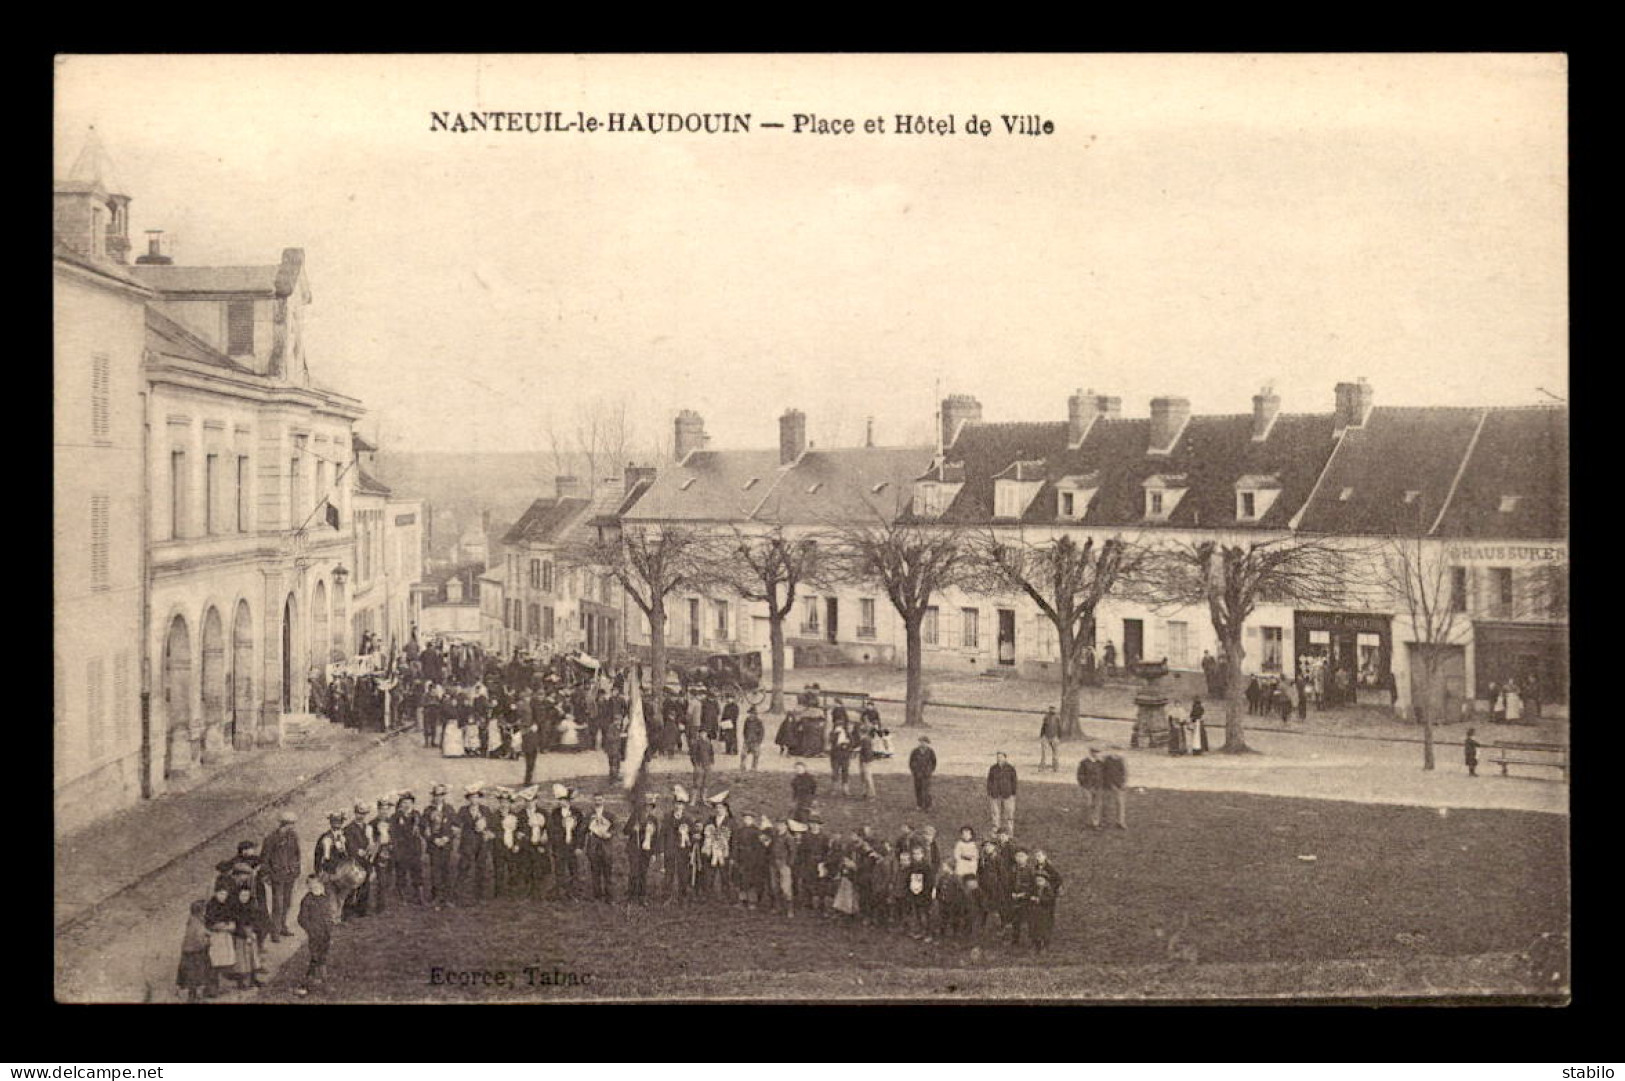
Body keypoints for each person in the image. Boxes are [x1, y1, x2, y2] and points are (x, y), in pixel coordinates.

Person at [261, 810, 302, 940]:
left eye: (292, 824)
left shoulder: (293, 836)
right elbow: (265, 857)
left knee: (287, 902)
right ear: (283, 824)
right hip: (277, 875)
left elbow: (297, 854)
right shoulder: (271, 838)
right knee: (277, 904)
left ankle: (283, 926)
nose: (292, 827)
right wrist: (267, 874)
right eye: (290, 824)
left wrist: (296, 869)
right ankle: (275, 931)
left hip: (289, 875)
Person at [295, 874, 334, 997]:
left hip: (325, 934)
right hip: (315, 935)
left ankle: (308, 984)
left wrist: (330, 925)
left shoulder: (324, 898)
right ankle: (322, 984)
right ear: (308, 886)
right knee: (317, 959)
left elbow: (328, 914)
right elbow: (301, 919)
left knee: (319, 958)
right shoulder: (307, 900)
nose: (314, 886)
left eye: (316, 883)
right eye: (310, 884)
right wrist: (311, 930)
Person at [176, 898, 217, 1002]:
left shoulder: (192, 920)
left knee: (191, 976)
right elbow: (200, 940)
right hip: (196, 953)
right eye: (204, 910)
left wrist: (207, 933)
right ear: (201, 911)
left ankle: (193, 995)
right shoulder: (198, 924)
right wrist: (208, 942)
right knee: (198, 975)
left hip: (187, 952)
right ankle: (195, 997)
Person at [1029, 849, 1063, 952]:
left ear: (1045, 856)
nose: (1038, 858)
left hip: (1047, 898)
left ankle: (1046, 943)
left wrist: (1050, 887)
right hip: (1038, 902)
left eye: (1040, 856)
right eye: (1036, 856)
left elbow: (1058, 879)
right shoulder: (1036, 867)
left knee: (1047, 921)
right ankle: (1037, 944)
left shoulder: (1049, 868)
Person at [585, 793, 617, 901]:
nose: (598, 802)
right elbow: (582, 830)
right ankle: (597, 896)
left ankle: (609, 897)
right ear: (593, 801)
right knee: (595, 873)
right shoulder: (589, 815)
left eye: (600, 799)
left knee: (608, 873)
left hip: (606, 848)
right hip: (593, 847)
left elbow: (616, 828)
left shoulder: (610, 815)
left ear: (604, 800)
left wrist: (610, 834)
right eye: (596, 800)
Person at [987, 752, 1018, 834]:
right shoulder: (993, 768)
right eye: (997, 757)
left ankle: (1009, 830)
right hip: (995, 794)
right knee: (995, 813)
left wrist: (1013, 792)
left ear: (1005, 758)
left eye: (1001, 757)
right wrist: (990, 791)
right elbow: (989, 780)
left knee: (1009, 813)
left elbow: (1014, 781)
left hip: (1007, 794)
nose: (999, 759)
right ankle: (996, 828)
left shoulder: (1010, 768)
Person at [1077, 746, 1104, 829]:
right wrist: (1084, 783)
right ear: (1091, 752)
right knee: (1088, 803)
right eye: (1094, 752)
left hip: (1098, 786)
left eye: (1097, 752)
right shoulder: (1084, 762)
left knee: (1097, 804)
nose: (1096, 754)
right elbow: (1080, 775)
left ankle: (1095, 823)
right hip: (1087, 786)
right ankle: (1086, 821)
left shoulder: (1100, 763)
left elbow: (1103, 774)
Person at [909, 736, 937, 812]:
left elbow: (934, 762)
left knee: (927, 790)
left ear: (927, 743)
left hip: (926, 774)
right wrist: (914, 771)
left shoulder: (930, 751)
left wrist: (930, 770)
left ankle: (928, 806)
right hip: (917, 774)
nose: (922, 744)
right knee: (918, 789)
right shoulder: (915, 751)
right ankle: (919, 805)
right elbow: (911, 761)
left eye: (924, 742)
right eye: (921, 742)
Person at [1102, 751, 1129, 829]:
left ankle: (1120, 822)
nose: (1115, 753)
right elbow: (1103, 772)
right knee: (1106, 803)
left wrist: (1123, 783)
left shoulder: (1121, 760)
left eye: (1117, 750)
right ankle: (1105, 821)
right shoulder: (1106, 759)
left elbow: (1125, 773)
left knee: (1120, 804)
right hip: (1107, 785)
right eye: (1113, 749)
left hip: (1118, 785)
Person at [689, 729, 715, 801]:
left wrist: (711, 762)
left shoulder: (709, 743)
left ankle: (703, 798)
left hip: (707, 765)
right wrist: (695, 764)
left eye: (705, 733)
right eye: (702, 733)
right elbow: (692, 755)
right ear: (699, 734)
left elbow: (711, 753)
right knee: (697, 783)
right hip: (699, 765)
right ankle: (693, 800)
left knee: (706, 782)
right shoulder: (696, 743)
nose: (703, 735)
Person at [742, 707, 764, 773]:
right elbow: (744, 730)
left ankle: (754, 767)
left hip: (755, 741)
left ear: (755, 714)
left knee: (756, 755)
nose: (751, 715)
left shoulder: (759, 722)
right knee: (743, 754)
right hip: (747, 740)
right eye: (750, 714)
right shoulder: (747, 721)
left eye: (753, 714)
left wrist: (759, 741)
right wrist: (745, 738)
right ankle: (743, 766)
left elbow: (762, 732)